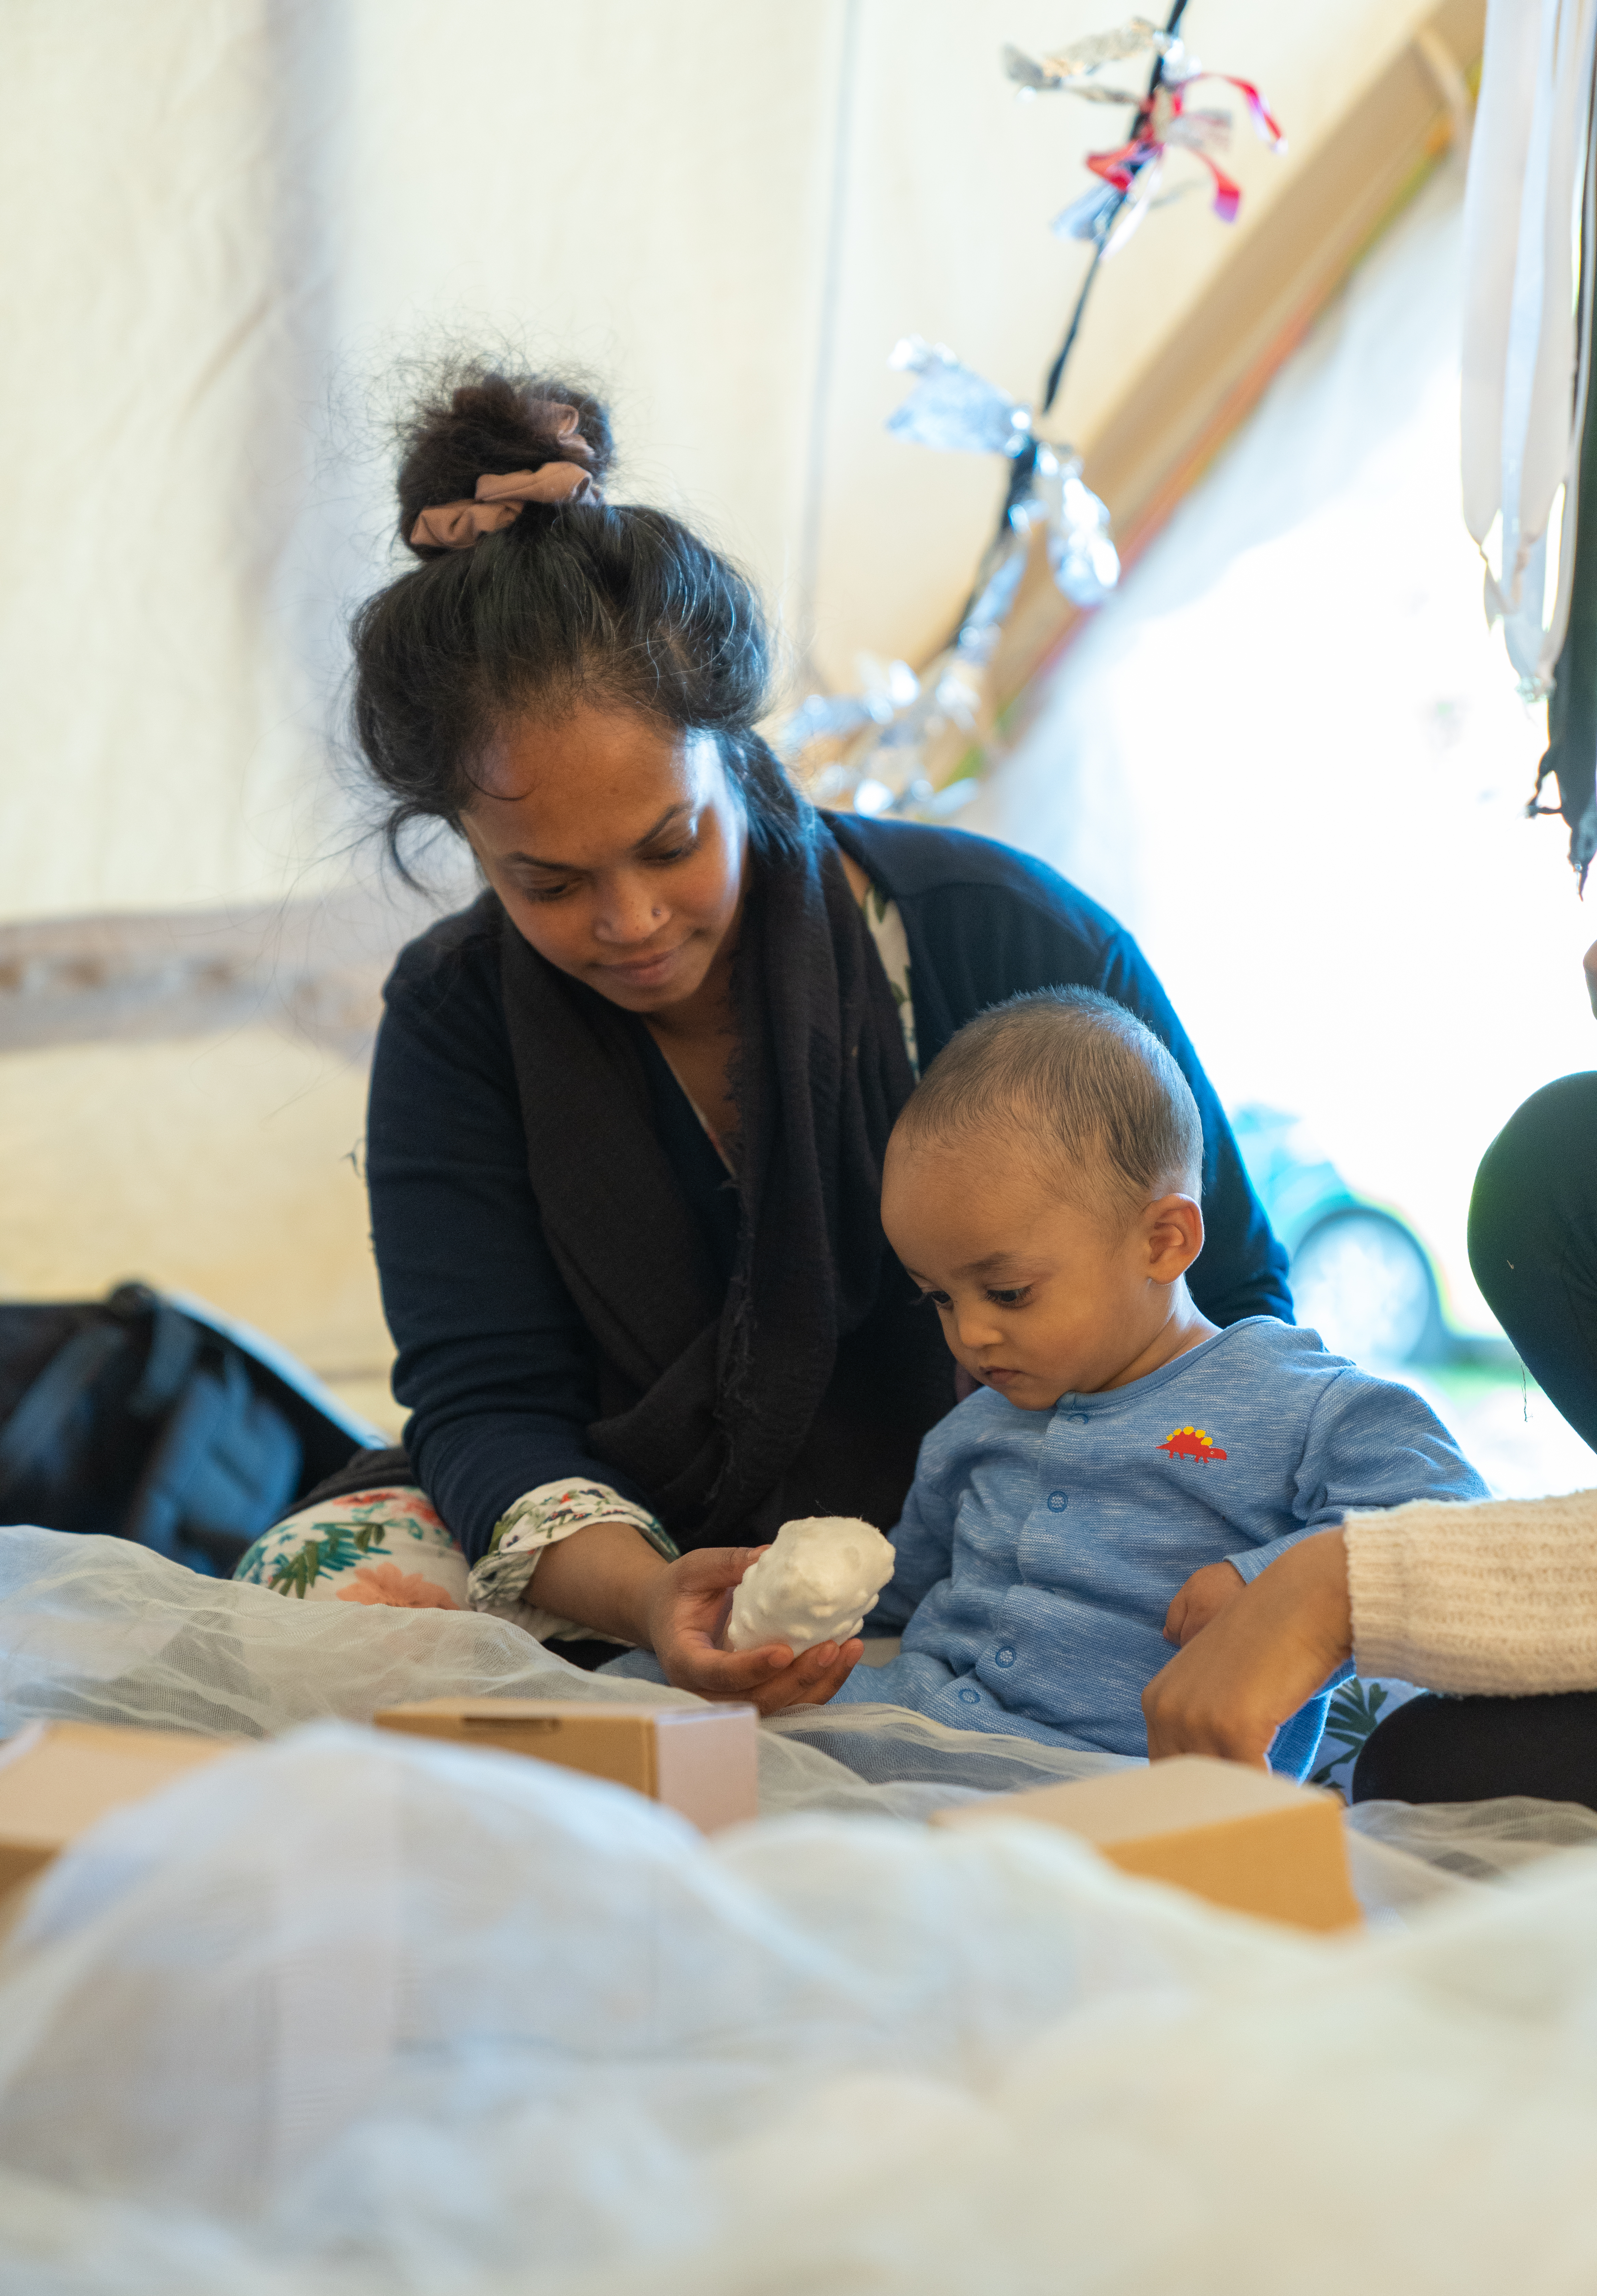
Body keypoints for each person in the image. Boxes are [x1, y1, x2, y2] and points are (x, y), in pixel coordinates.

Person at [239, 362, 1290, 1712]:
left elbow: (1243, 1300)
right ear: (464, 842)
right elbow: (484, 1400)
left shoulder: (995, 942)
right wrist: (647, 1596)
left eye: (670, 844)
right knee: (318, 1595)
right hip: (635, 1543)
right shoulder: (457, 1022)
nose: (628, 921)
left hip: (1027, 1511)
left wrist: (1107, 1522)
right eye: (543, 883)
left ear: (733, 750)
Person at [797, 990, 1485, 1776]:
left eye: (1009, 1292)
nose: (970, 1335)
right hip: (908, 1734)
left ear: (1163, 1242)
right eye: (941, 1298)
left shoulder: (1288, 1397)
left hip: (1115, 1790)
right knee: (650, 1687)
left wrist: (1269, 1582)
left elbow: (1452, 1525)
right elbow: (893, 1595)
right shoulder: (968, 1430)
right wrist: (790, 1606)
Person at [1141, 941, 1597, 1801]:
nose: (1589, 957)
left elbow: (1435, 1492)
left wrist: (1344, 1582)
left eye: (1010, 1290)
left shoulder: (1297, 1401)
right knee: (1430, 1764)